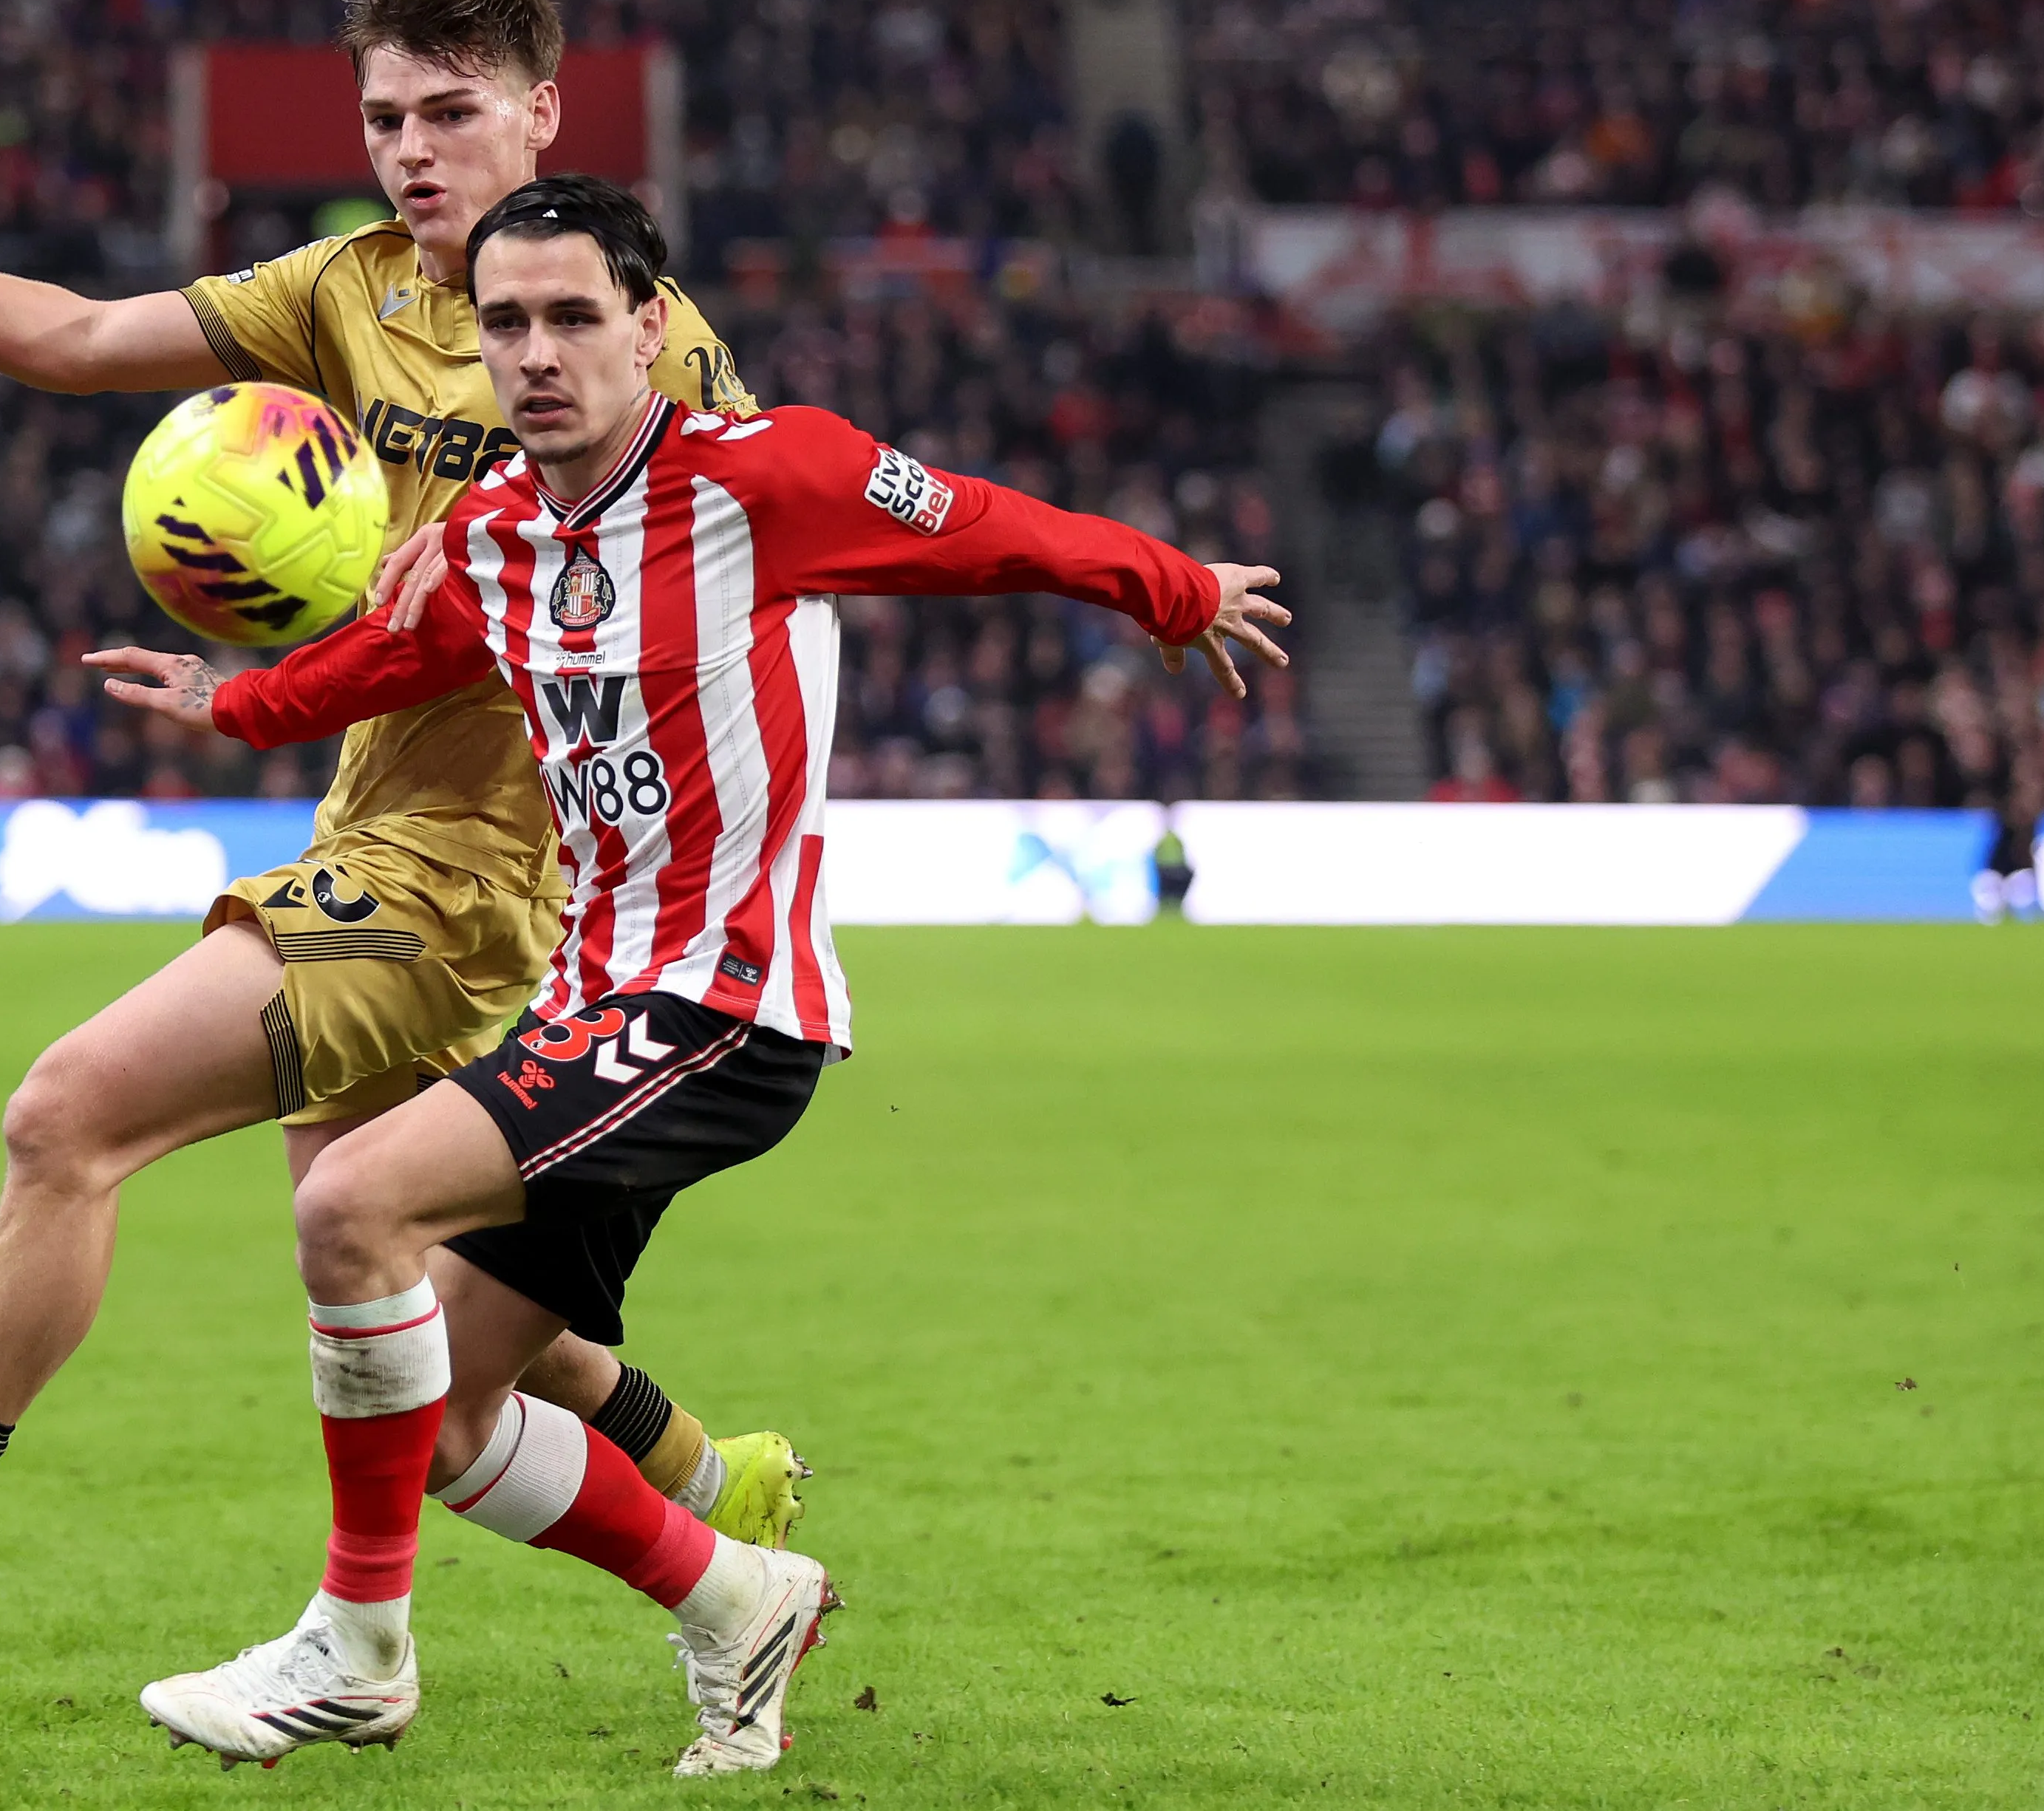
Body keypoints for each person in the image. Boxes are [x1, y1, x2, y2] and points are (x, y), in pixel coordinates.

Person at [0, 0, 804, 1654]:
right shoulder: (349, 290)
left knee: (70, 1112)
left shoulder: (634, 345)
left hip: (484, 874)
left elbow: (716, 608)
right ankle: (716, 1483)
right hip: (372, 834)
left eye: (451, 112)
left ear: (542, 113)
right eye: (384, 116)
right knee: (402, 1273)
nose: (411, 149)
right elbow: (83, 336)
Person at [90, 174, 1289, 1775]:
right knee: (442, 1419)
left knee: (347, 1204)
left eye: (574, 315)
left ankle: (356, 1647)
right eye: (504, 320)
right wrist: (230, 709)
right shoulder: (503, 537)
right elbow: (396, 660)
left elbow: (991, 528)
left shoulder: (766, 476)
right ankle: (734, 1593)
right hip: (602, 1014)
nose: (535, 351)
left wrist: (1175, 587)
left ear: (648, 328)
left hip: (723, 1008)